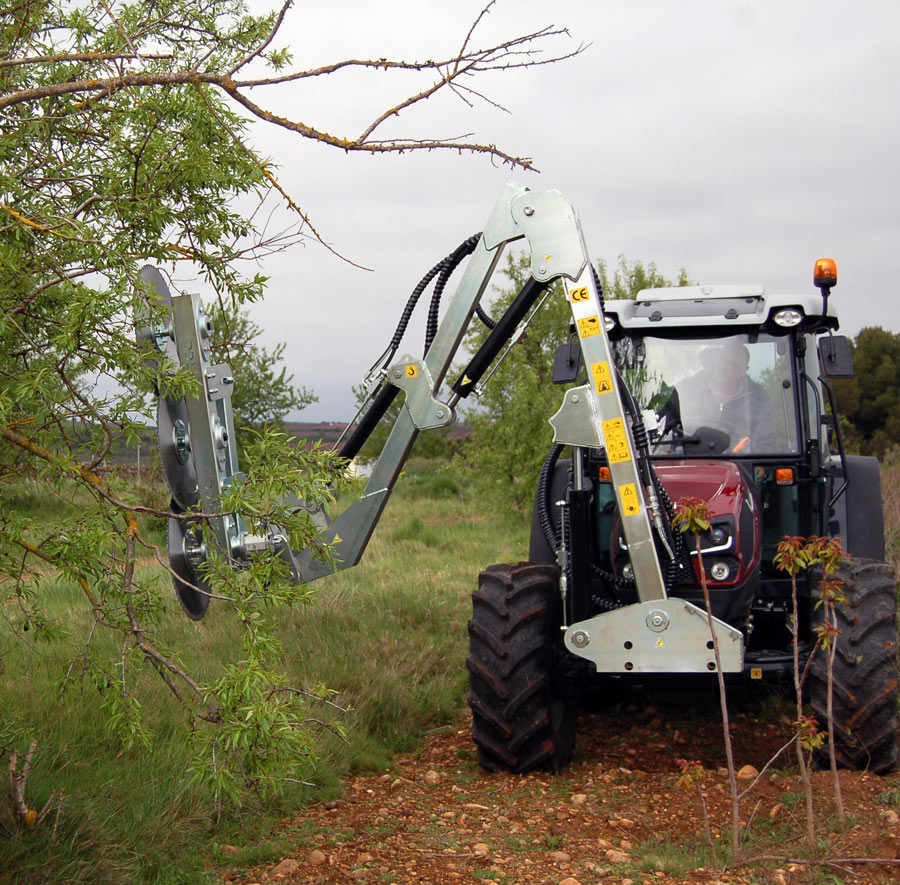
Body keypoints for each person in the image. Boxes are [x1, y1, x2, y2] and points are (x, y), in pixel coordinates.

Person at [659, 342, 776, 453]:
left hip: (738, 463)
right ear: (715, 361)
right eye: (723, 361)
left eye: (733, 365)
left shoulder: (758, 397)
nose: (725, 367)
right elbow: (663, 428)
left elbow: (765, 438)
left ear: (744, 370)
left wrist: (762, 466)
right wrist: (662, 451)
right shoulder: (683, 390)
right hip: (685, 461)